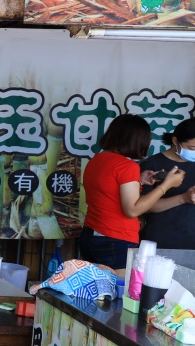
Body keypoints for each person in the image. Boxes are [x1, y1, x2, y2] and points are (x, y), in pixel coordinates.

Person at [80, 114, 184, 269]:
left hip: (90, 236)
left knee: (96, 283)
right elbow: (132, 210)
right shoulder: (127, 166)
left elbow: (108, 189)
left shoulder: (96, 160)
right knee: (119, 285)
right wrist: (166, 185)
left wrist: (138, 181)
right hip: (115, 240)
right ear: (137, 140)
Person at [140, 118, 195, 249]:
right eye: (192, 148)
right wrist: (184, 198)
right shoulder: (151, 165)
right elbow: (143, 207)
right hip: (161, 240)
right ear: (175, 141)